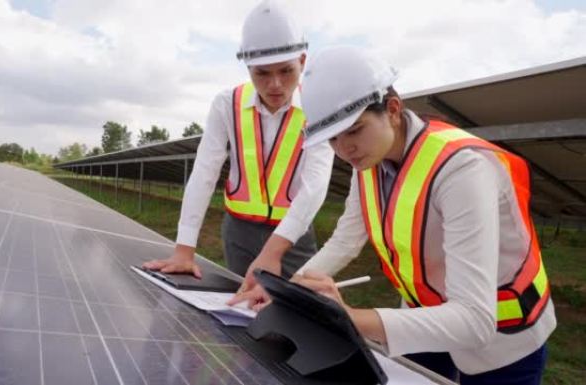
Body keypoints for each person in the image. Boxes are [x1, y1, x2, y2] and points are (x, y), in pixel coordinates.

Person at [273, 46, 555, 384]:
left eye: (354, 130)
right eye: (332, 138)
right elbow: (347, 239)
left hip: (504, 338)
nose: (344, 149)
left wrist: (347, 318)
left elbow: (475, 321)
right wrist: (289, 291)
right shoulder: (367, 161)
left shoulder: (464, 170)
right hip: (425, 314)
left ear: (392, 109)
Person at [143, 0, 333, 286]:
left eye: (286, 71)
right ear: (248, 67)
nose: (275, 85)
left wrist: (276, 249)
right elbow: (205, 172)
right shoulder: (226, 104)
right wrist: (184, 249)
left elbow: (315, 186)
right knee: (240, 311)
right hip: (238, 231)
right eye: (262, 74)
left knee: (298, 314)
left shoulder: (320, 106)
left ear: (303, 61)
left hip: (294, 234)